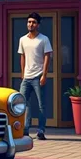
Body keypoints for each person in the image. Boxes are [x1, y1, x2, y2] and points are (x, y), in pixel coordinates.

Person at [18, 12, 52, 140]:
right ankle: (25, 129)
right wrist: (22, 73)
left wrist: (44, 75)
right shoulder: (22, 39)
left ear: (38, 25)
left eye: (33, 22)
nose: (30, 24)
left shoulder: (43, 39)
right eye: (29, 22)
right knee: (22, 103)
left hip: (38, 76)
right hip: (26, 77)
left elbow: (47, 56)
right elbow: (22, 56)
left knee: (41, 105)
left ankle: (41, 130)